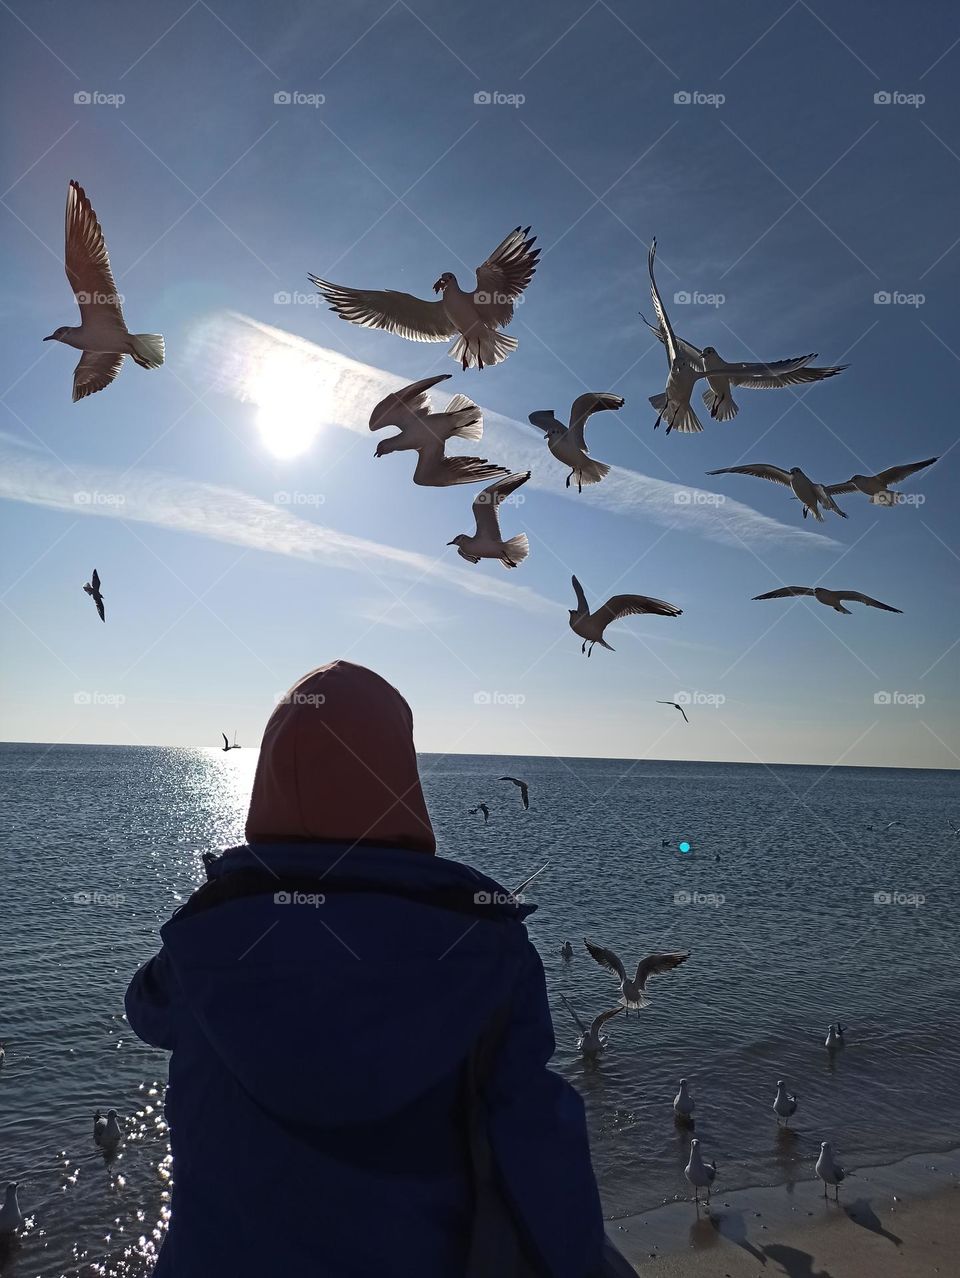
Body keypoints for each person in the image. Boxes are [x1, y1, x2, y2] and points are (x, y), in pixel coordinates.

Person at [126, 661, 607, 1277]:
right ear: (402, 782)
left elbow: (145, 1009)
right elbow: (541, 1149)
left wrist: (224, 906)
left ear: (269, 779)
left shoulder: (204, 939)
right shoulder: (487, 949)